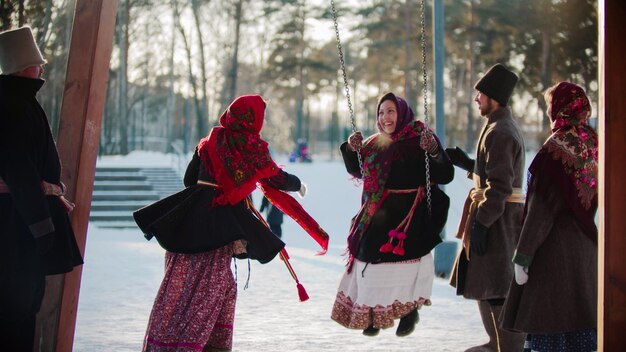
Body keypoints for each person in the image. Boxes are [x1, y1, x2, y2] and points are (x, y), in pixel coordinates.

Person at [133, 95, 328, 351]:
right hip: (218, 224)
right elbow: (275, 177)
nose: (265, 120)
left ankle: (163, 342)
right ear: (252, 118)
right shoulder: (250, 146)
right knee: (208, 290)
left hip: (187, 221)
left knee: (179, 288)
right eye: (262, 116)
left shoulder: (210, 141)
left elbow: (189, 180)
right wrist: (298, 185)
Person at [330, 92, 454, 337]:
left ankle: (410, 312)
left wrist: (434, 151)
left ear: (402, 112)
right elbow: (358, 169)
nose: (385, 117)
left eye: (390, 111)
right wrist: (351, 149)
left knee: (407, 266)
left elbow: (445, 174)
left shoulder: (420, 139)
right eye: (381, 112)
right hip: (379, 212)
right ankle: (372, 314)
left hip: (410, 215)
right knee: (368, 260)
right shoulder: (376, 143)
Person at [0, 26, 83, 350]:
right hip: (16, 222)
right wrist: (41, 226)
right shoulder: (13, 105)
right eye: (37, 61)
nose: (43, 66)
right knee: (17, 305)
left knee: (20, 303)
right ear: (24, 65)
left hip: (18, 218)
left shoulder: (17, 101)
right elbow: (19, 171)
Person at [500, 82, 598, 352]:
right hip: (587, 251)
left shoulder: (556, 149)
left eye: (549, 105)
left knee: (551, 329)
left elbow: (541, 209)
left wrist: (524, 256)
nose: (547, 112)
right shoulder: (593, 142)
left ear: (560, 108)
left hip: (555, 254)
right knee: (582, 329)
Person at [447, 63, 526, 351]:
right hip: (495, 219)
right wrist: (470, 164)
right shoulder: (496, 125)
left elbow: (501, 187)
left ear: (493, 96)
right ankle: (498, 342)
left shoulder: (501, 131)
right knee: (489, 285)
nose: (476, 99)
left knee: (496, 287)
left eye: (480, 93)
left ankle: (507, 346)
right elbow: (496, 173)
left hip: (498, 222)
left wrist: (481, 223)